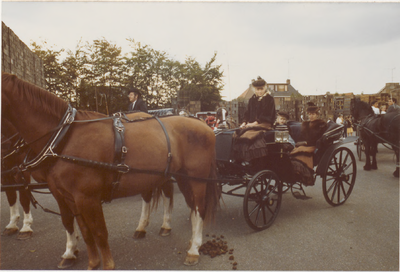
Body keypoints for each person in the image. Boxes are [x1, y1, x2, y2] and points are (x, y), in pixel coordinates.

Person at [233, 76, 276, 162]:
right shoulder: (251, 100)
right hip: (251, 125)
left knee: (251, 137)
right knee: (237, 134)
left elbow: (269, 115)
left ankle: (254, 160)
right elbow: (247, 113)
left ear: (265, 88)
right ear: (254, 89)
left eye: (261, 89)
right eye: (257, 89)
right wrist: (244, 122)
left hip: (265, 124)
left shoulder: (269, 99)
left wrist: (255, 123)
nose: (259, 91)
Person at [290, 102, 327, 186]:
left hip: (314, 146)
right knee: (293, 152)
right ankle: (294, 173)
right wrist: (299, 144)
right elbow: (301, 137)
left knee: (302, 153)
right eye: (310, 114)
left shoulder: (321, 124)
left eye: (313, 114)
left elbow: (319, 139)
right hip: (304, 144)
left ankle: (303, 174)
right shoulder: (305, 124)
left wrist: (306, 143)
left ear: (317, 114)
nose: (311, 116)